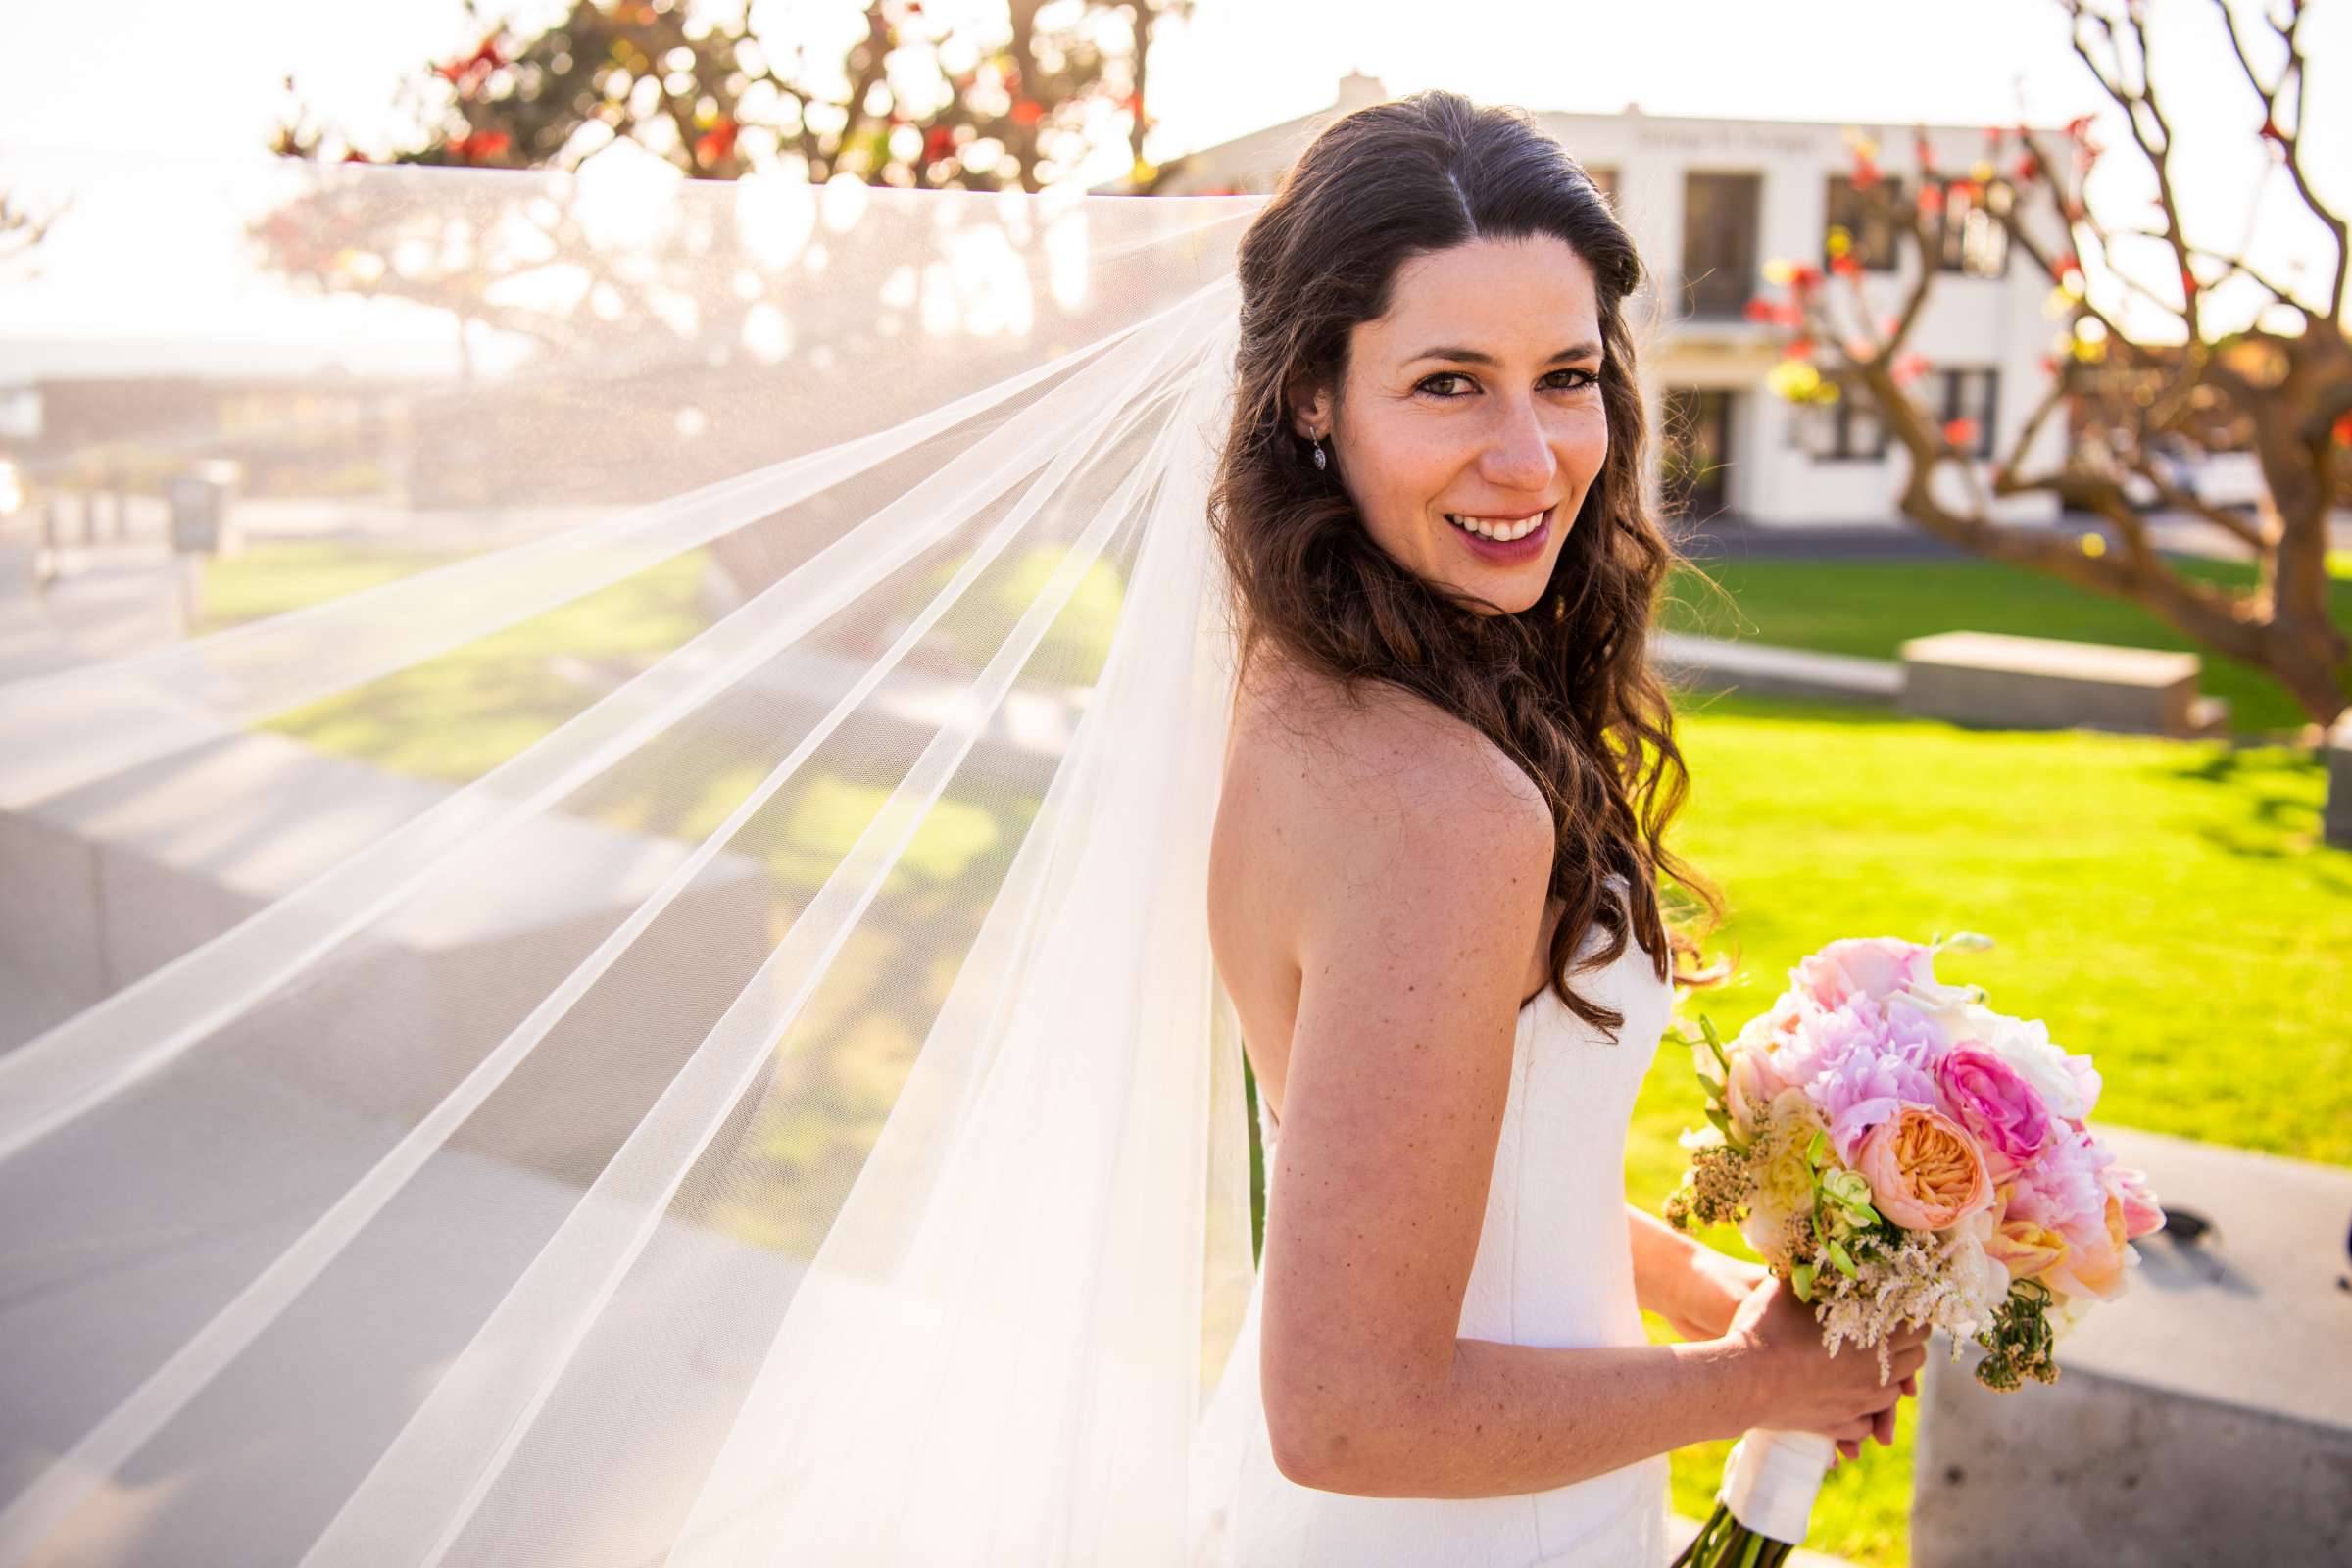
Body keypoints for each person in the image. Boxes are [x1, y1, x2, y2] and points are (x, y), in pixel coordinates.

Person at [1188, 91, 1928, 1564]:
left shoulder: (1310, 676)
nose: (1532, 461)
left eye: (1567, 376)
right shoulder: (1444, 809)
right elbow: (1347, 1413)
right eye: (1450, 383)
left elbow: (1446, 1171)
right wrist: (1757, 1381)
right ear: (1311, 395)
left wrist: (1690, 1288)